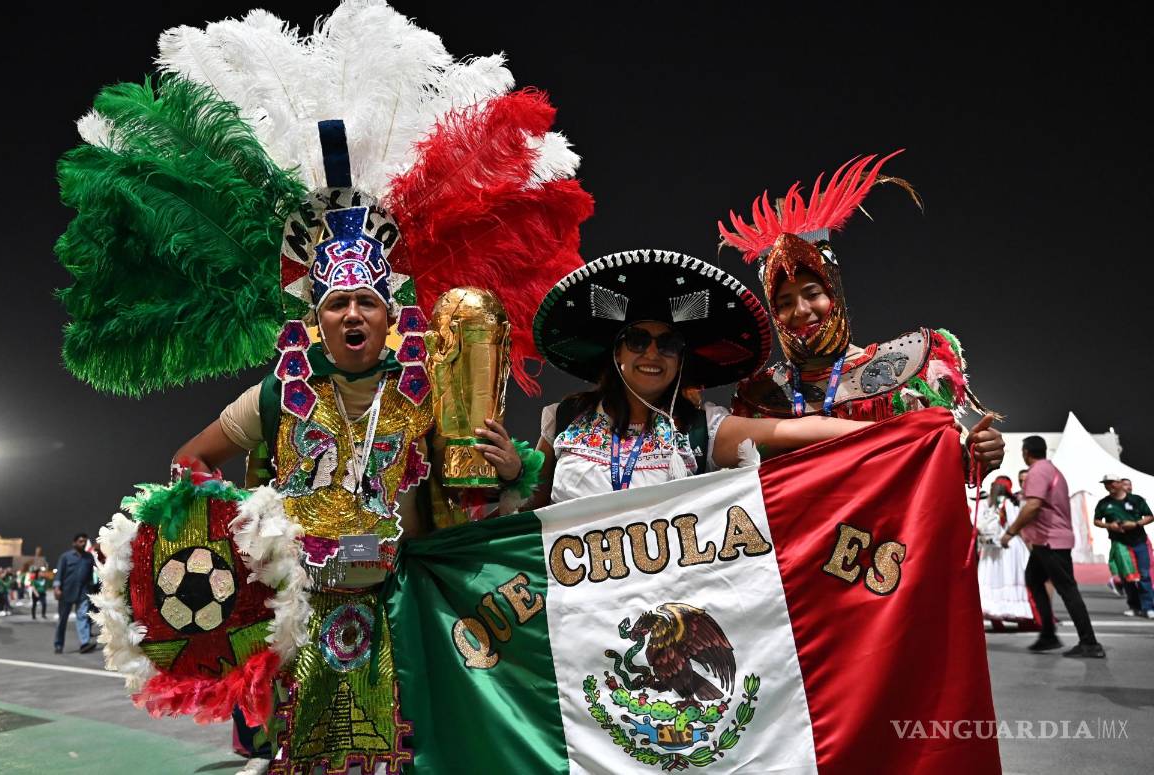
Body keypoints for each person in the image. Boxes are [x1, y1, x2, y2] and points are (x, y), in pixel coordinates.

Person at [54, 5, 593, 772]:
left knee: (405, 758)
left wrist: (515, 469)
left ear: (387, 311)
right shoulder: (277, 394)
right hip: (303, 623)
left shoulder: (427, 395)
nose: (350, 313)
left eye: (365, 301)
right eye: (335, 302)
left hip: (403, 612)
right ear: (315, 313)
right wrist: (246, 541)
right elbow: (189, 464)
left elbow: (475, 500)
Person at [718, 152, 1005, 481]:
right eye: (784, 302)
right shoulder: (759, 396)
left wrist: (976, 457)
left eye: (813, 294)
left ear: (834, 295)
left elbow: (936, 473)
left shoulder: (904, 372)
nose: (800, 310)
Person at [528, 250, 871, 506]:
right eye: (637, 341)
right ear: (617, 352)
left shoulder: (701, 428)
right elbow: (524, 519)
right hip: (576, 600)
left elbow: (795, 432)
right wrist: (514, 476)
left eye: (668, 344)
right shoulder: (566, 420)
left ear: (680, 360)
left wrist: (903, 431)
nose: (651, 354)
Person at [1000, 436, 1103, 657]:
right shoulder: (1051, 470)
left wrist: (1010, 532)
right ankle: (1048, 635)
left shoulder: (1038, 470)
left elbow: (1033, 506)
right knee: (1034, 579)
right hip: (1045, 541)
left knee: (1067, 588)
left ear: (1026, 452)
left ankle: (1090, 643)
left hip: (1050, 541)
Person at [976, 476, 1040, 630]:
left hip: (990, 548)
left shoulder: (986, 504)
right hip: (1008, 547)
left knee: (991, 581)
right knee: (1011, 578)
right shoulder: (1010, 503)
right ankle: (1020, 618)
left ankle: (996, 620)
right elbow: (1015, 524)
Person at [1093, 474, 1154, 618]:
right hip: (1120, 544)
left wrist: (1135, 524)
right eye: (1106, 484)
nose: (1109, 486)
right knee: (1127, 577)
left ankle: (1148, 606)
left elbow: (1150, 516)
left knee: (1144, 574)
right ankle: (1134, 606)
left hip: (1139, 541)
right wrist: (1109, 525)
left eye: (1112, 483)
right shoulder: (1104, 503)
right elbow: (1096, 520)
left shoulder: (1136, 500)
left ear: (1120, 483)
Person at [53, 533, 96, 654]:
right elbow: (59, 573)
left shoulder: (89, 557)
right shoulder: (65, 557)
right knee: (62, 620)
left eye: (85, 542)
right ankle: (58, 644)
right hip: (66, 593)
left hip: (83, 593)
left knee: (82, 616)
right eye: (81, 541)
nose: (83, 544)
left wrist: (92, 591)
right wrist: (57, 588)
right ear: (74, 543)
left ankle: (84, 643)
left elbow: (90, 577)